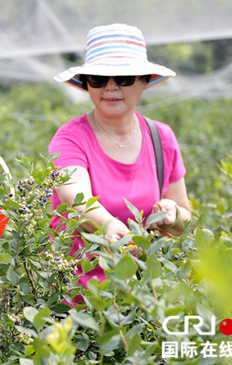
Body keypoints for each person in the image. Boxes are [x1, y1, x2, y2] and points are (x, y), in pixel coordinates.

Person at [49, 23, 191, 302]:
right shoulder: (70, 138)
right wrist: (110, 226)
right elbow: (76, 201)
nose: (110, 87)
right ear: (87, 84)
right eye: (99, 79)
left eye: (123, 78)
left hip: (139, 300)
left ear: (144, 80)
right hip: (74, 301)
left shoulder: (161, 137)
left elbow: (184, 214)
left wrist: (172, 214)